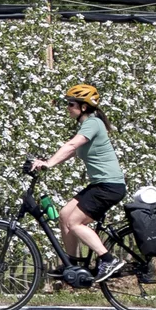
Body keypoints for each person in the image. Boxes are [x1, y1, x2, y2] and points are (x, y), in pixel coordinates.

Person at [29, 83, 127, 283]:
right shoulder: (88, 124)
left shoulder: (92, 122)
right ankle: (71, 263)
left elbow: (72, 144)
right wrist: (47, 163)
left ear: (83, 107)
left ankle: (108, 259)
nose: (68, 108)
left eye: (71, 104)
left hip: (109, 186)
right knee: (65, 215)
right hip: (101, 184)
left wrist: (47, 163)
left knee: (74, 222)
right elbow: (74, 151)